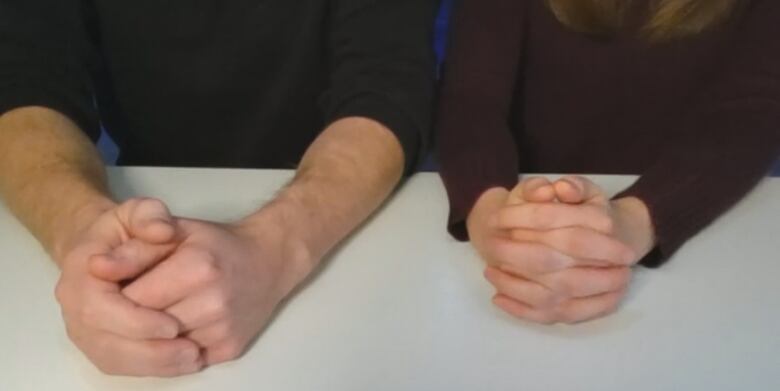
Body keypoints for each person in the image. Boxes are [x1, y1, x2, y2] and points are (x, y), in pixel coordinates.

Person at [0, 0, 437, 377]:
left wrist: (277, 246)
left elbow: (387, 81)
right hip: (148, 196)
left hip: (348, 233)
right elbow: (24, 74)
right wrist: (87, 238)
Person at [437, 0, 780, 325]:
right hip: (526, 216)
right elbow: (471, 100)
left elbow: (750, 113)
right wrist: (493, 214)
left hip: (695, 265)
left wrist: (635, 221)